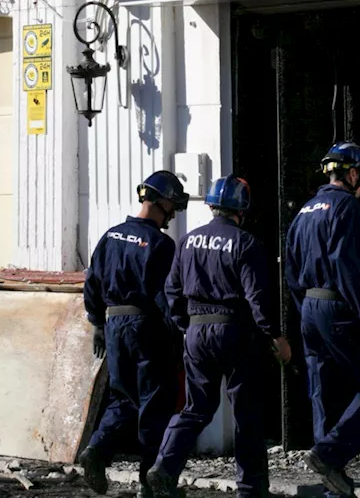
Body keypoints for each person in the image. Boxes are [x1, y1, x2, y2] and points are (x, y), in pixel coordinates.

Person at [146, 175, 292, 498]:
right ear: (242, 208)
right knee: (246, 412)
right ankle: (250, 488)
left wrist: (187, 325)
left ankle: (164, 468)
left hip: (197, 333)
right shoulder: (247, 243)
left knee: (196, 408)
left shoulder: (187, 241)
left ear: (212, 205)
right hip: (235, 334)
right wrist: (275, 336)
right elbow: (258, 300)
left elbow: (172, 290)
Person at [283, 142, 360, 498]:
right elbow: (344, 265)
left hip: (308, 308)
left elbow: (290, 272)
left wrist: (305, 310)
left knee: (323, 391)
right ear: (351, 173)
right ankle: (328, 454)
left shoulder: (304, 211)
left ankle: (330, 477)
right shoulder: (346, 206)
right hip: (336, 307)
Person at [78, 170, 189, 497]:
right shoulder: (160, 244)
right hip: (146, 328)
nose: (172, 214)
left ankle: (96, 450)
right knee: (156, 402)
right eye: (172, 207)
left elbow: (92, 283)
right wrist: (178, 338)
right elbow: (166, 297)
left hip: (114, 327)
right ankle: (150, 483)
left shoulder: (111, 236)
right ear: (163, 201)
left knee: (122, 397)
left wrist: (98, 323)